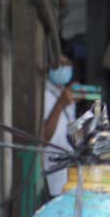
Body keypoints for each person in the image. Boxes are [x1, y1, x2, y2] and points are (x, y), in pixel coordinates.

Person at [42, 54, 78, 197]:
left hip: (66, 176)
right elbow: (44, 137)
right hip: (50, 173)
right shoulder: (44, 94)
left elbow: (71, 132)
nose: (64, 68)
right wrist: (60, 104)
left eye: (67, 64)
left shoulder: (66, 95)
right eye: (60, 64)